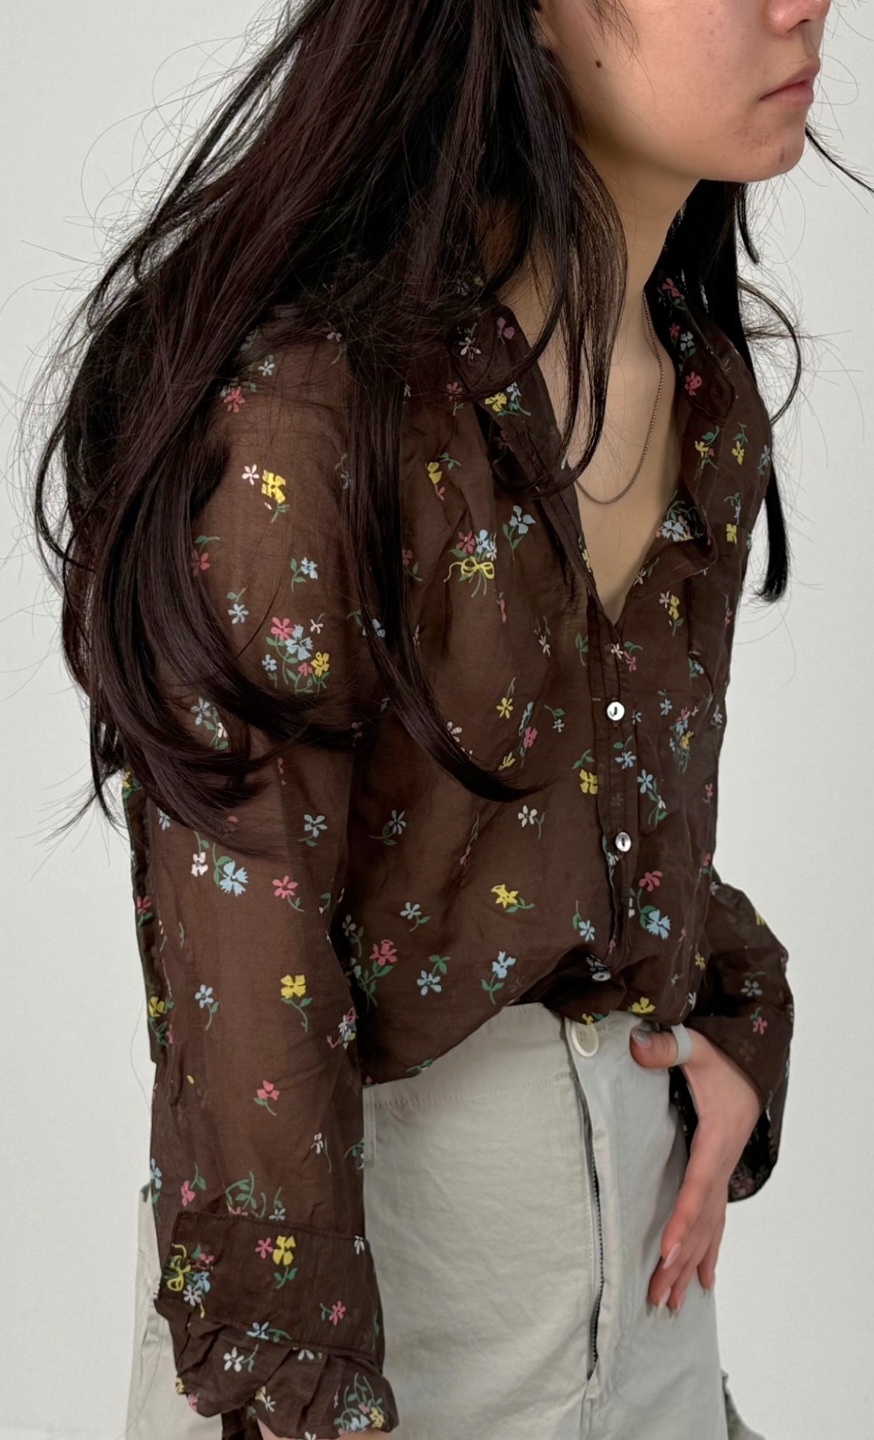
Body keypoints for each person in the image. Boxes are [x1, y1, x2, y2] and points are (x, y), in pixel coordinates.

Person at [28, 0, 842, 1436]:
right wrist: (299, 1392)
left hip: (646, 1316)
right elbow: (246, 952)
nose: (801, 4)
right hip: (382, 1321)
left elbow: (575, 810)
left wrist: (732, 1006)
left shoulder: (702, 389)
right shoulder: (312, 409)